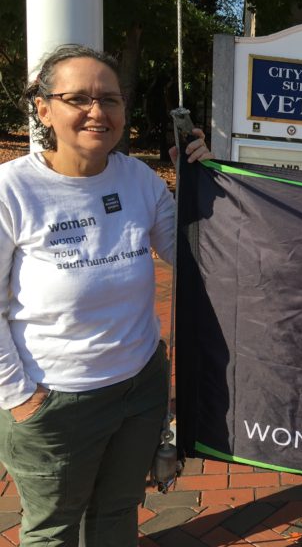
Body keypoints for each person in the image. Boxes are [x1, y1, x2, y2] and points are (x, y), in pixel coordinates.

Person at [0, 44, 210, 546]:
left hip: (139, 387)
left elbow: (192, 256)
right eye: (79, 98)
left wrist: (202, 185)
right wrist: (20, 397)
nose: (98, 112)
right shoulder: (13, 190)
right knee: (52, 530)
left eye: (110, 99)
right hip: (57, 398)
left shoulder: (137, 179)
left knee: (117, 514)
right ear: (44, 108)